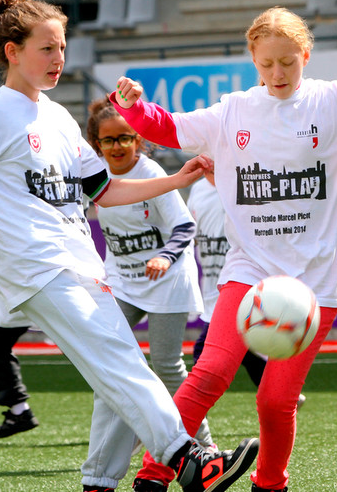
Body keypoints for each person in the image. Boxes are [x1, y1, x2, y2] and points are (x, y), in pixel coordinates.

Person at [0, 0, 257, 492]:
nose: (59, 59)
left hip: (80, 262)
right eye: (47, 48)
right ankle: (190, 460)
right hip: (35, 266)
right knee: (119, 359)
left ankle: (98, 481)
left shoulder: (57, 116)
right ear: (12, 51)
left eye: (62, 48)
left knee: (115, 369)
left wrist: (176, 179)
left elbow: (105, 189)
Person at [111, 0, 337, 492]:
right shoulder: (233, 111)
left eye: (287, 63)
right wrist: (133, 110)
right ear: (253, 59)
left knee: (275, 401)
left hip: (315, 284)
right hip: (249, 271)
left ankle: (269, 484)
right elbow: (170, 128)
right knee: (210, 371)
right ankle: (152, 476)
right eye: (266, 65)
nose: (277, 75)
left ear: (305, 55)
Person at [87, 99, 214, 448]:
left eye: (125, 138)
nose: (117, 147)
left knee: (167, 364)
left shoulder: (152, 174)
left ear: (138, 139)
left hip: (167, 280)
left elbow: (185, 226)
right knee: (108, 357)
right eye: (108, 140)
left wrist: (164, 257)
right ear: (97, 143)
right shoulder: (93, 174)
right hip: (123, 282)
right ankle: (137, 434)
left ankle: (204, 444)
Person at [187, 168, 303, 408]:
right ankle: (279, 392)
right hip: (211, 287)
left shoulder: (243, 187)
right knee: (246, 349)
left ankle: (182, 427)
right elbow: (192, 235)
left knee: (203, 356)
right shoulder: (197, 190)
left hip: (238, 286)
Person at [0, 295, 40, 438]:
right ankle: (19, 412)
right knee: (82, 349)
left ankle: (19, 412)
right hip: (54, 289)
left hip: (23, 290)